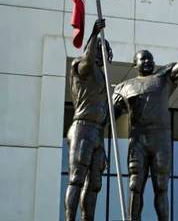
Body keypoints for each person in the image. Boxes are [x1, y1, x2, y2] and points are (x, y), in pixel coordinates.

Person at [113, 17, 178, 221]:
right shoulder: (124, 87)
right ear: (134, 63)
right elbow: (110, 116)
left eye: (151, 58)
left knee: (161, 187)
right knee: (135, 186)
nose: (148, 61)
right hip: (138, 141)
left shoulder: (164, 77)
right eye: (143, 58)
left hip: (160, 139)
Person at [65, 19, 112, 221]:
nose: (103, 51)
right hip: (82, 128)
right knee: (76, 179)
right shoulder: (82, 68)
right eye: (99, 47)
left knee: (94, 183)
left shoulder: (102, 76)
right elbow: (87, 59)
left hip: (96, 133)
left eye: (105, 47)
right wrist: (94, 34)